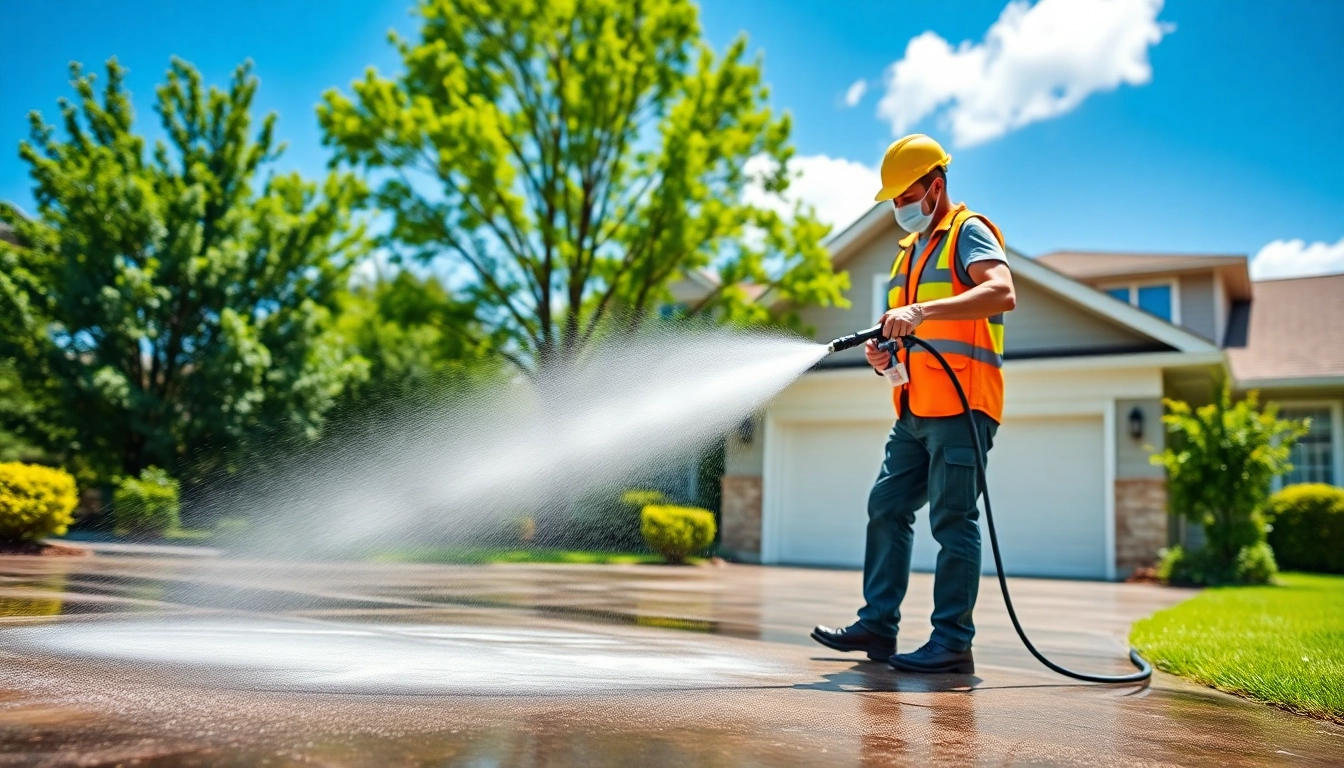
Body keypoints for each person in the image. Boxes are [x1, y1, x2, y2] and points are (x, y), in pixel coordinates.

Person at [811, 134, 1016, 674]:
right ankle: (878, 625)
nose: (899, 207)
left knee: (952, 520)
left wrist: (922, 312)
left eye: (907, 195)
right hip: (914, 409)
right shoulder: (907, 254)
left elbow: (1002, 292)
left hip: (963, 404)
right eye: (895, 198)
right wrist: (884, 355)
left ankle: (952, 643)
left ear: (936, 186)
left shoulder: (967, 233)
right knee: (887, 505)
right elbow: (907, 334)